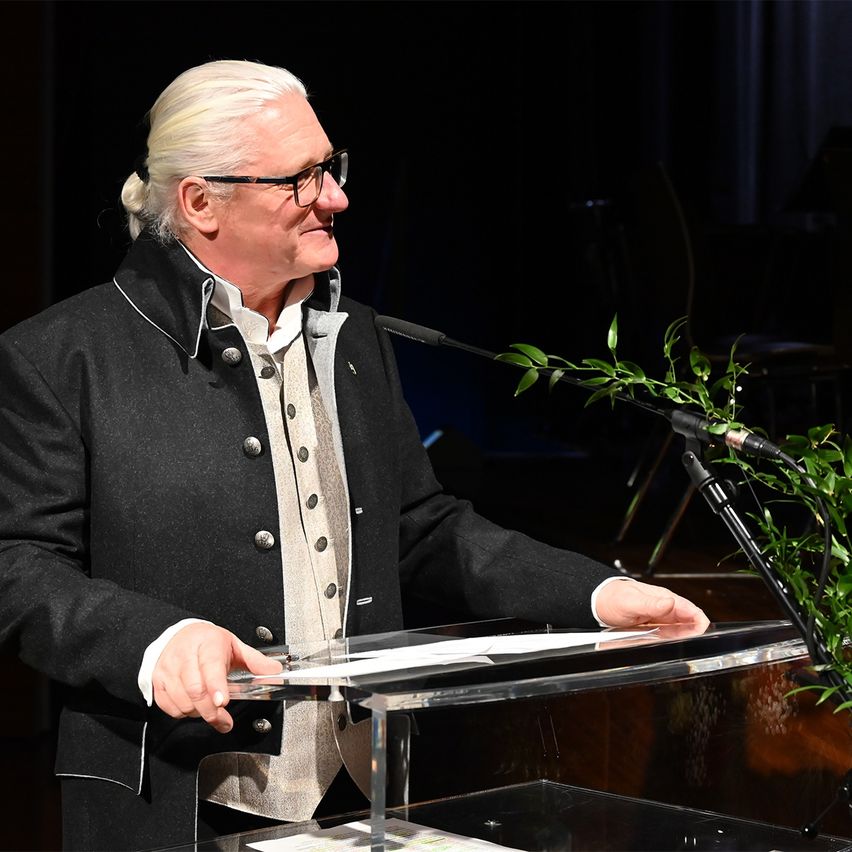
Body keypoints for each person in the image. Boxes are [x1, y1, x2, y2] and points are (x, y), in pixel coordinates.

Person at [0, 58, 709, 851]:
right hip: (173, 799)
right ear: (202, 202)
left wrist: (596, 596)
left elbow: (422, 527)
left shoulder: (354, 339)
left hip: (362, 791)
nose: (335, 197)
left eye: (330, 168)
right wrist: (154, 641)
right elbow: (19, 566)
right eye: (300, 180)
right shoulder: (62, 356)